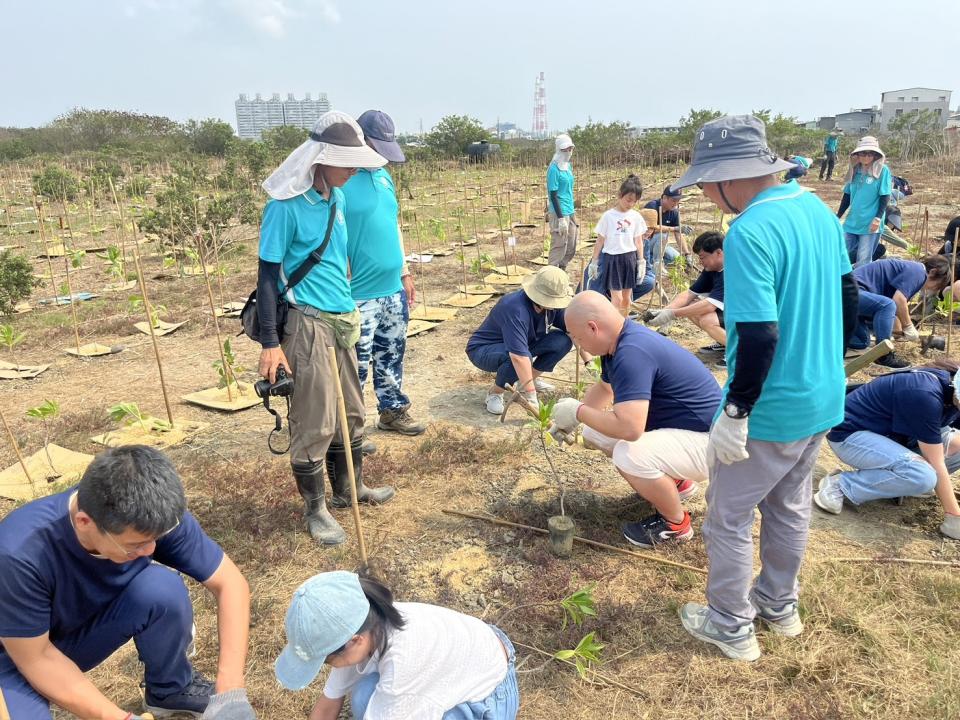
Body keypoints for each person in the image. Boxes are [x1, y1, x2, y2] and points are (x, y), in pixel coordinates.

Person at [670, 115, 857, 662]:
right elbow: (848, 294)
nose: (704, 191)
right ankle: (779, 605)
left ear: (731, 176)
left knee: (727, 516)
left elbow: (758, 331)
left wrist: (736, 409)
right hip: (822, 396)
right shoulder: (816, 210)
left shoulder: (750, 231)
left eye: (706, 180)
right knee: (790, 505)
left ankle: (730, 624)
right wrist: (829, 361)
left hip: (771, 407)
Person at [0, 445, 255, 719]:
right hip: (16, 654)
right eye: (136, 546)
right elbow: (36, 659)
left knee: (160, 588)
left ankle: (169, 690)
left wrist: (229, 691)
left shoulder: (152, 513)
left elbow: (230, 583)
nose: (150, 550)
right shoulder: (19, 555)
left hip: (78, 632)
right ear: (84, 522)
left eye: (155, 540)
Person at [257, 111, 395, 547]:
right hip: (307, 323)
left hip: (341, 319)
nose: (355, 168)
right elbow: (266, 277)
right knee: (314, 419)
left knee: (351, 410)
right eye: (348, 161)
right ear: (321, 158)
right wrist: (270, 344)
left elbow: (338, 258)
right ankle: (315, 509)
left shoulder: (334, 196)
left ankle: (349, 489)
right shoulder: (284, 207)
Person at [550, 291, 723, 549]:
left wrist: (578, 411)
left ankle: (675, 524)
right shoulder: (620, 342)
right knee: (594, 432)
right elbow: (604, 389)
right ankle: (676, 482)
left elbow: (631, 429)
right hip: (692, 433)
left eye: (577, 337)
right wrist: (573, 421)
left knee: (628, 454)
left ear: (593, 327)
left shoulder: (631, 353)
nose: (578, 344)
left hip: (713, 444)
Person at [274, 570, 519, 719]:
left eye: (326, 660)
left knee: (372, 700)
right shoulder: (362, 622)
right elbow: (327, 705)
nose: (329, 667)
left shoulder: (405, 661)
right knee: (363, 696)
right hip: (458, 665)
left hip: (488, 697)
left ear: (354, 641)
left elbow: (403, 680)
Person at [342, 109, 425, 438]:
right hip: (358, 293)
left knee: (391, 354)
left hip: (392, 289)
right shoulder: (343, 180)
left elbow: (392, 226)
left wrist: (404, 272)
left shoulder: (383, 177)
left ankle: (391, 411)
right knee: (356, 364)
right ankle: (350, 428)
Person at [816, 361, 960, 540]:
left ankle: (900, 483)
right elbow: (936, 462)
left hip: (894, 434)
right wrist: (955, 518)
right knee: (924, 476)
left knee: (943, 459)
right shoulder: (925, 394)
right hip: (851, 435)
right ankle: (841, 485)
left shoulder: (953, 392)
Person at [466, 266, 574, 414]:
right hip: (484, 350)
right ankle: (495, 393)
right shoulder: (514, 308)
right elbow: (518, 356)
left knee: (562, 341)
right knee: (516, 358)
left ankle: (524, 382)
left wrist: (589, 363)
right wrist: (532, 399)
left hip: (522, 345)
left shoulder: (551, 306)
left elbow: (572, 330)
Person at [848, 256, 950, 368]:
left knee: (861, 342)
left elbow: (895, 306)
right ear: (932, 272)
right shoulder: (918, 271)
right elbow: (898, 301)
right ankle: (883, 356)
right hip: (850, 291)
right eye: (936, 286)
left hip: (854, 300)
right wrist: (908, 326)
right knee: (887, 305)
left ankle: (831, 340)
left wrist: (899, 330)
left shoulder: (911, 271)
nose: (933, 289)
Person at [646, 231, 726, 355]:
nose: (700, 262)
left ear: (719, 253)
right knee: (690, 305)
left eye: (702, 257)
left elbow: (710, 305)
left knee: (707, 320)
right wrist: (664, 311)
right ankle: (724, 343)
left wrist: (672, 314)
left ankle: (738, 351)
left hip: (750, 318)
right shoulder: (711, 269)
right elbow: (689, 294)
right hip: (731, 311)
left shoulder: (731, 270)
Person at [587, 174, 647, 317]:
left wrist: (641, 261)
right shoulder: (608, 216)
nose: (630, 204)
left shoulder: (636, 217)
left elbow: (638, 241)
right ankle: (614, 327)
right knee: (617, 299)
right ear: (620, 195)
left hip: (629, 258)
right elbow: (600, 241)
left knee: (626, 299)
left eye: (634, 202)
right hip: (612, 259)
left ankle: (624, 324)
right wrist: (594, 261)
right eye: (628, 200)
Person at [837, 136, 892, 268]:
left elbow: (884, 196)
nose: (866, 157)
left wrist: (877, 218)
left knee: (863, 260)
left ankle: (860, 285)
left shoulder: (882, 171)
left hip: (870, 223)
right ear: (857, 154)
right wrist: (838, 216)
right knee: (840, 253)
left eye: (870, 154)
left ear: (875, 155)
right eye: (863, 153)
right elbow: (847, 195)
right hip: (852, 220)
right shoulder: (854, 170)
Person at [546, 133, 578, 269]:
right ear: (559, 150)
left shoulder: (568, 167)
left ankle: (562, 270)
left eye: (570, 149)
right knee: (559, 244)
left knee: (571, 245)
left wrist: (572, 213)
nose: (568, 152)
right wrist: (560, 219)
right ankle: (550, 275)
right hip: (559, 211)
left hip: (570, 210)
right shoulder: (553, 169)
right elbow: (553, 195)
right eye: (565, 149)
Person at [644, 186, 690, 269]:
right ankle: (658, 265)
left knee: (678, 259)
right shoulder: (652, 206)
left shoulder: (674, 212)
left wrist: (687, 254)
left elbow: (678, 234)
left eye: (678, 201)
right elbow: (652, 227)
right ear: (664, 197)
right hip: (646, 243)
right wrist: (674, 228)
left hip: (660, 245)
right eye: (673, 200)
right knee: (663, 235)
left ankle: (651, 260)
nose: (676, 203)